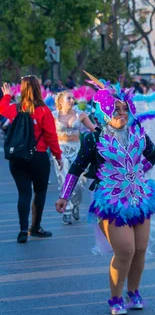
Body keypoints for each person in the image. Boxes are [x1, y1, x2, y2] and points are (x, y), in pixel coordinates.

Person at [55, 76, 155, 315]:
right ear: (103, 111)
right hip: (111, 200)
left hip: (140, 196)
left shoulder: (138, 133)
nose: (121, 113)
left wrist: (135, 173)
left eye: (124, 108)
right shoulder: (94, 138)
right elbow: (77, 167)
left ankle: (133, 292)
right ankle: (115, 298)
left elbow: (152, 156)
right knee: (125, 250)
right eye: (115, 109)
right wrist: (64, 195)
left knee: (141, 249)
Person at [1, 78, 62, 243]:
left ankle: (22, 229)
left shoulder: (16, 108)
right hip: (38, 156)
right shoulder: (43, 111)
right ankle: (35, 227)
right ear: (38, 89)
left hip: (18, 157)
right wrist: (58, 156)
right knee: (40, 192)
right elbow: (51, 136)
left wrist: (7, 95)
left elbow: (2, 108)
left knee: (23, 193)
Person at [53, 90, 97, 224]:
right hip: (60, 151)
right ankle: (67, 210)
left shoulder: (81, 115)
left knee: (79, 184)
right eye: (68, 98)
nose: (72, 101)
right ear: (61, 101)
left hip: (77, 151)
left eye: (73, 98)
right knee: (64, 180)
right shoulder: (53, 115)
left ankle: (75, 204)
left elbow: (94, 129)